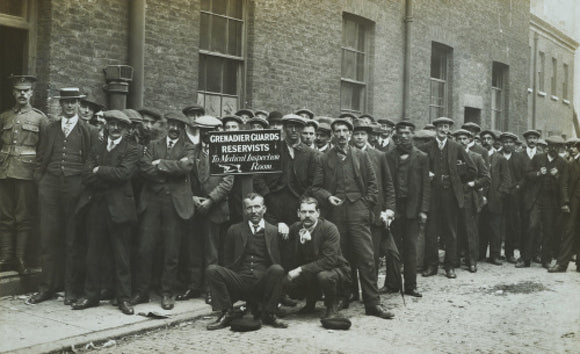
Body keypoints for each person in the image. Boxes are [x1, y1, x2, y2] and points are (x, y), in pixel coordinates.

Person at [312, 118, 394, 319]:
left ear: (350, 134)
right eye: (337, 131)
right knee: (342, 258)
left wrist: (366, 205)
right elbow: (315, 187)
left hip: (359, 210)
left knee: (366, 258)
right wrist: (327, 197)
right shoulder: (324, 159)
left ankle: (372, 303)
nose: (341, 134)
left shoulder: (361, 155)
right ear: (333, 135)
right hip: (336, 213)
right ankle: (344, 296)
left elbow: (374, 185)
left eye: (344, 131)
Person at [28, 87, 97, 305]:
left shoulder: (89, 131)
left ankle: (71, 289)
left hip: (75, 186)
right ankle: (47, 287)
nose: (69, 105)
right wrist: (41, 182)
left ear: (78, 103)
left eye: (73, 101)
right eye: (65, 102)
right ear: (60, 104)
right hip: (50, 186)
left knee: (73, 239)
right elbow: (40, 158)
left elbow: (91, 161)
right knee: (49, 237)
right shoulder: (50, 128)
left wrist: (83, 184)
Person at [72, 110, 139, 315]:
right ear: (106, 126)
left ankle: (124, 299)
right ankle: (91, 296)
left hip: (119, 208)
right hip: (97, 207)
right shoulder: (97, 146)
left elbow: (124, 173)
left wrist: (99, 170)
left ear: (126, 129)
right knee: (93, 253)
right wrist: (104, 173)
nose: (115, 128)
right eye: (111, 124)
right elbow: (85, 175)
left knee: (121, 255)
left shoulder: (132, 149)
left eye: (120, 125)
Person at [132, 112, 195, 310]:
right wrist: (170, 170)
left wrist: (160, 164)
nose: (175, 128)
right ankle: (142, 292)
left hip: (174, 203)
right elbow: (144, 168)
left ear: (183, 128)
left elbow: (186, 167)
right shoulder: (153, 144)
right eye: (172, 124)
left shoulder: (189, 147)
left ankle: (168, 293)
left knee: (171, 250)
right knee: (145, 248)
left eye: (179, 125)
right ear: (167, 125)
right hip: (152, 201)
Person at [205, 193, 287, 330]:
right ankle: (227, 312)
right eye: (249, 208)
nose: (254, 211)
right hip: (240, 281)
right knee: (212, 270)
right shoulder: (234, 230)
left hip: (263, 284)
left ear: (264, 209)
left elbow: (284, 258)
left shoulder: (274, 231)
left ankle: (269, 313)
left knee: (277, 269)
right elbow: (227, 259)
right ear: (244, 210)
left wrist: (284, 226)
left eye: (257, 207)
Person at [180, 115, 234, 304]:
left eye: (210, 131)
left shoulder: (225, 152)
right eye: (203, 131)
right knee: (194, 248)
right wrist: (193, 198)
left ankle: (211, 288)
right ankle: (194, 286)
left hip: (215, 208)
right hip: (194, 207)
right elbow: (185, 178)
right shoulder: (191, 151)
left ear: (217, 132)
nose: (206, 135)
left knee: (212, 252)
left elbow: (228, 182)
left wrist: (210, 201)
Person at [0, 75, 49, 274]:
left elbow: (45, 149)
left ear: (31, 93)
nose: (22, 94)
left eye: (25, 90)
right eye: (18, 90)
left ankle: (20, 258)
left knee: (23, 216)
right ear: (13, 92)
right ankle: (6, 257)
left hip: (27, 173)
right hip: (4, 171)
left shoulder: (40, 118)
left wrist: (38, 173)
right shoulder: (4, 117)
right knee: (5, 215)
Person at [422, 117, 476, 279]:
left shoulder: (456, 147)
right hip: (432, 195)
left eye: (446, 127)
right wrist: (427, 174)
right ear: (435, 128)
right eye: (440, 126)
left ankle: (450, 266)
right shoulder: (426, 147)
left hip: (450, 195)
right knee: (431, 232)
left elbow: (472, 170)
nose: (443, 129)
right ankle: (431, 265)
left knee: (451, 232)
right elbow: (418, 169)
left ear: (449, 129)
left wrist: (455, 176)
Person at [283, 197, 351, 319]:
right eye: (304, 212)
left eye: (311, 212)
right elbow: (290, 256)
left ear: (318, 213)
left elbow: (329, 261)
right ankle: (310, 303)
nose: (307, 215)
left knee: (324, 276)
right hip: (311, 271)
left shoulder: (329, 228)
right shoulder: (295, 228)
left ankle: (332, 307)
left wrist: (299, 270)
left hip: (335, 270)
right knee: (287, 280)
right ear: (298, 213)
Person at [351, 121, 396, 298]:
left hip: (375, 213)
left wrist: (390, 209)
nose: (359, 137)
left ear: (368, 136)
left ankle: (371, 292)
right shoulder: (348, 155)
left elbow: (388, 185)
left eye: (363, 134)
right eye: (356, 134)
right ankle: (353, 292)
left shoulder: (379, 156)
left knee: (373, 255)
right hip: (354, 214)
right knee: (353, 254)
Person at [384, 121, 430, 296]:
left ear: (413, 135)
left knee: (411, 247)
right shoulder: (388, 156)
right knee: (392, 247)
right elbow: (386, 184)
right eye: (400, 133)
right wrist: (387, 209)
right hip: (394, 209)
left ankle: (411, 285)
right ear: (396, 135)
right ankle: (392, 284)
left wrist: (424, 210)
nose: (403, 136)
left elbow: (426, 186)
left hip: (413, 209)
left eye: (407, 133)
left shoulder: (422, 157)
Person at [518, 136, 568, 268]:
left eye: (557, 147)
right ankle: (526, 259)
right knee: (532, 226)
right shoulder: (538, 158)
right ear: (547, 146)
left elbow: (564, 184)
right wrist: (538, 173)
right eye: (551, 146)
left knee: (548, 229)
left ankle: (545, 259)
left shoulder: (563, 163)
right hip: (536, 199)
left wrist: (557, 176)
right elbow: (527, 175)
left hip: (551, 201)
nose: (554, 149)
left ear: (560, 148)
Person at [452, 129, 490, 272]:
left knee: (470, 230)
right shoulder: (452, 156)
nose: (462, 141)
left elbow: (486, 178)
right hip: (454, 197)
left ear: (469, 140)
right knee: (454, 228)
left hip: (469, 197)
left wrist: (473, 184)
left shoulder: (476, 157)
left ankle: (471, 261)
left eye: (464, 138)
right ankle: (454, 259)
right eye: (459, 138)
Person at [478, 130, 511, 265]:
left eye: (489, 139)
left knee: (495, 228)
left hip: (494, 199)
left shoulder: (500, 158)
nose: (486, 141)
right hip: (479, 197)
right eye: (484, 139)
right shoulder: (477, 155)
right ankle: (479, 254)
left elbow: (506, 180)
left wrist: (499, 194)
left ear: (493, 141)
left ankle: (495, 255)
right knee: (481, 227)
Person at [549, 138, 580, 272]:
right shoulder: (570, 163)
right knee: (568, 231)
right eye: (571, 147)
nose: (572, 149)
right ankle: (562, 264)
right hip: (573, 203)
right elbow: (564, 184)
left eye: (575, 147)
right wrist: (565, 202)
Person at [499, 132, 526, 264]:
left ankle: (509, 252)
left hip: (514, 195)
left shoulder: (519, 158)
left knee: (511, 224)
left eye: (510, 142)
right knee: (497, 223)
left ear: (514, 144)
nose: (507, 144)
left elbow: (524, 177)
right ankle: (495, 253)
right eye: (505, 142)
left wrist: (517, 188)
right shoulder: (496, 156)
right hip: (499, 194)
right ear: (501, 143)